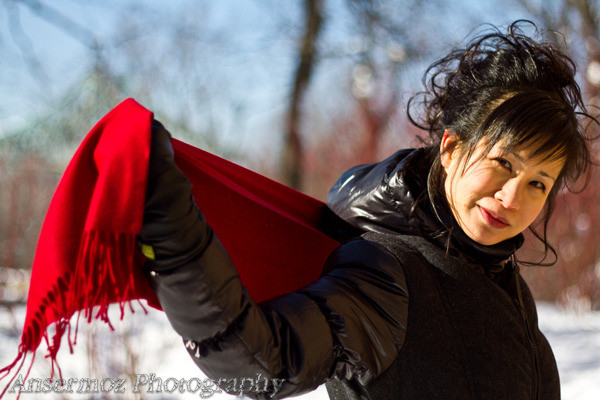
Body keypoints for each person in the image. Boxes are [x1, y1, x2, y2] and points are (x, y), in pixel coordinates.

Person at [137, 20, 595, 400]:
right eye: (502, 163)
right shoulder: (387, 273)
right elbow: (261, 359)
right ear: (451, 149)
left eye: (537, 183)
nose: (513, 198)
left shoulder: (509, 291)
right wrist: (172, 228)